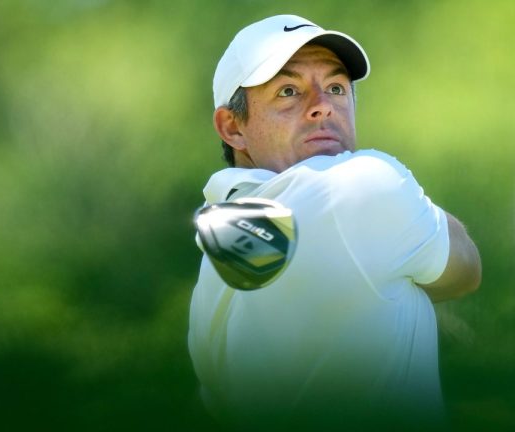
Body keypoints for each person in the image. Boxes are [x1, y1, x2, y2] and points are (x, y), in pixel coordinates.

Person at [187, 14, 482, 430]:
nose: (322, 105)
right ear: (232, 127)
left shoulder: (218, 251)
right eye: (288, 91)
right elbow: (466, 269)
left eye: (336, 87)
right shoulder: (360, 186)